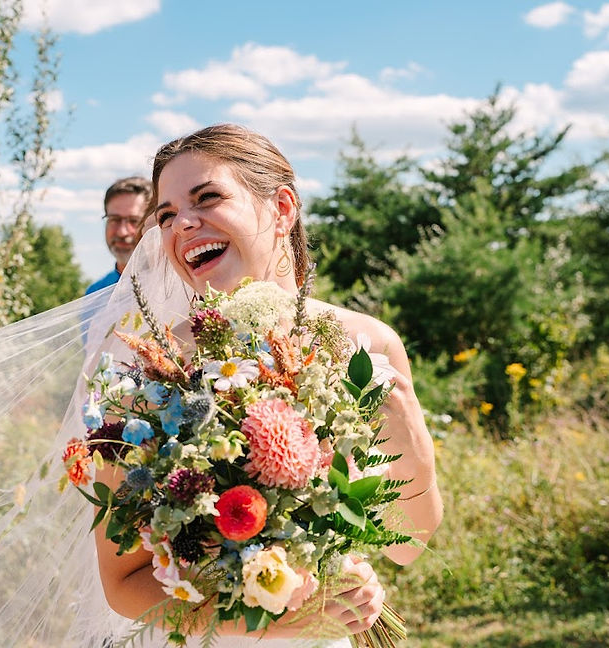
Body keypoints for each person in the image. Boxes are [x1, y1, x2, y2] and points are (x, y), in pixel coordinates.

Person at [92, 124, 443, 644]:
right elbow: (122, 583)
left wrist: (410, 438)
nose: (182, 224)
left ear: (282, 208)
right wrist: (262, 619)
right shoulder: (156, 370)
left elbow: (409, 546)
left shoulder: (368, 346)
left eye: (207, 197)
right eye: (165, 215)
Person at [84, 176, 153, 295]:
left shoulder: (176, 287)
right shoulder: (95, 293)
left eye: (133, 221)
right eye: (115, 219)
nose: (122, 232)